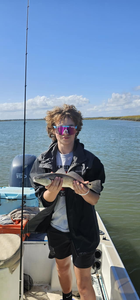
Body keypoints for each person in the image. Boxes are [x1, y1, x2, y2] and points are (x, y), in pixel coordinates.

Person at [30, 104, 105, 300]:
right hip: (56, 228)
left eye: (70, 128)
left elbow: (94, 199)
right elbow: (45, 201)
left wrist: (83, 192)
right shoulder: (42, 162)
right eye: (61, 128)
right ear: (53, 130)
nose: (66, 133)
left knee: (83, 283)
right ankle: (66, 297)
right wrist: (52, 192)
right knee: (62, 268)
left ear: (77, 130)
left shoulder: (91, 162)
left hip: (84, 229)